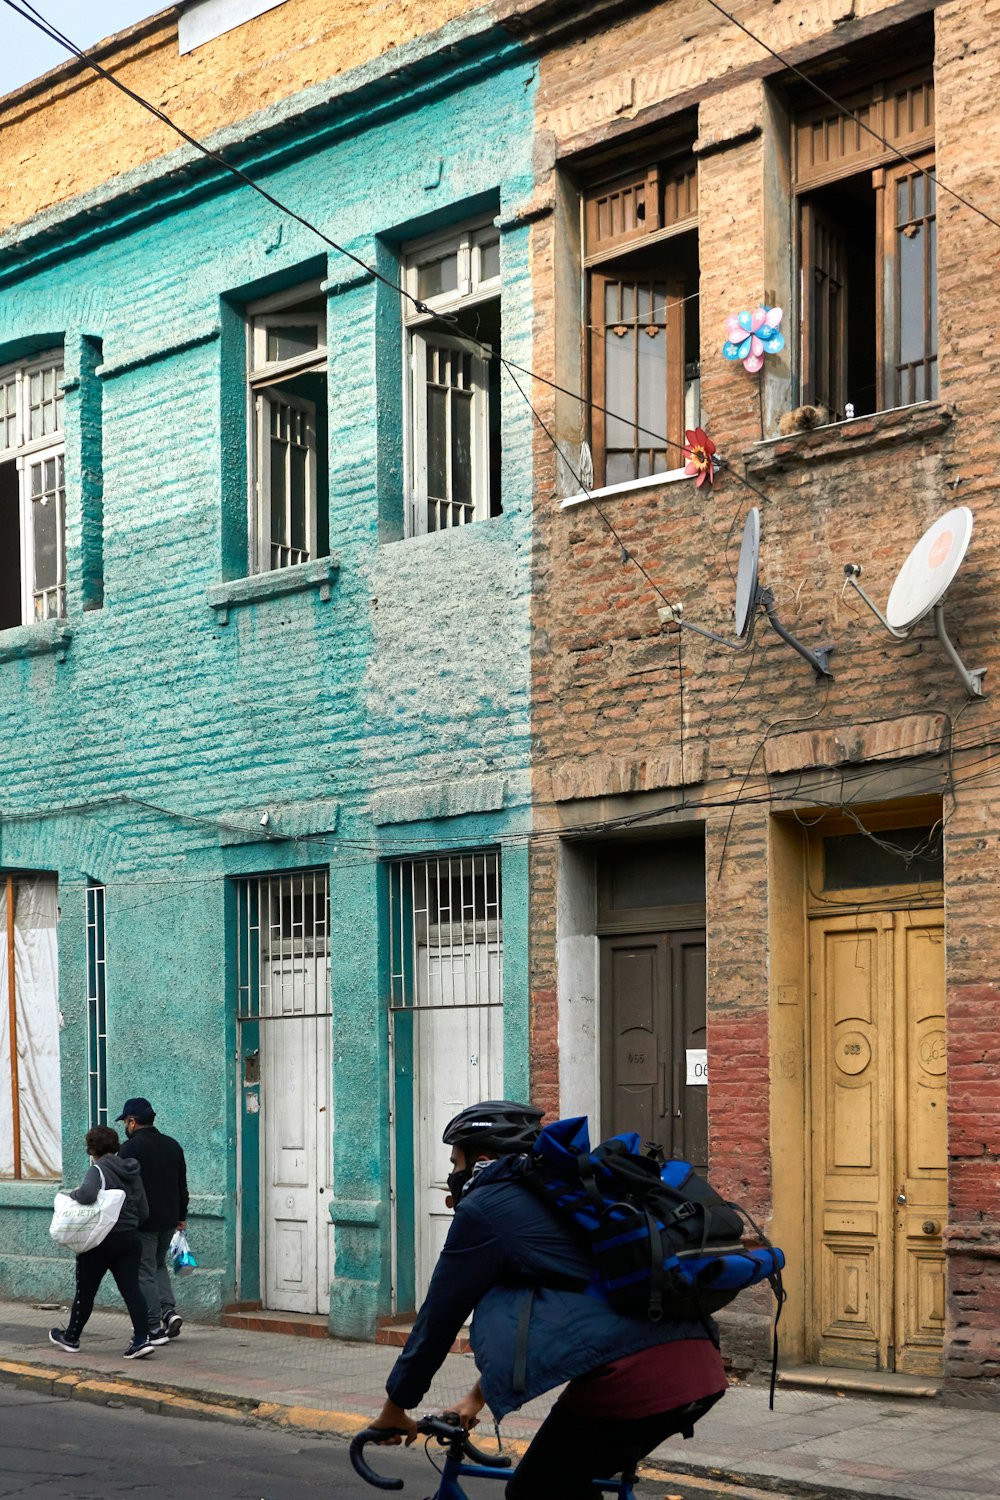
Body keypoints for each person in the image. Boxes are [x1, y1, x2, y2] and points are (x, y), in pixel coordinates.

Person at [370, 1101, 727, 1499]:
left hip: (637, 1378)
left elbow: (438, 1319)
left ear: (481, 1160)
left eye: (455, 1163)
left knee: (532, 1493)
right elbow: (545, 1316)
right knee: (567, 1486)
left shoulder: (485, 1210)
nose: (452, 1175)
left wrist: (395, 1408)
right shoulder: (562, 1198)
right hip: (699, 1369)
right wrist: (476, 1398)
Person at [49, 1125, 155, 1361]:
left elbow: (87, 1195)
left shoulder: (97, 1170)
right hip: (129, 1239)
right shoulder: (131, 1170)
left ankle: (72, 1337)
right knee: (132, 1290)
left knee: (85, 1292)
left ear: (91, 1149)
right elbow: (144, 1211)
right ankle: (141, 1340)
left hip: (100, 1240)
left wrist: (73, 1194)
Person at [117, 1097, 189, 1344]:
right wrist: (181, 1216)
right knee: (158, 1265)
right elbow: (182, 1185)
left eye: (125, 1122)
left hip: (143, 1221)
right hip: (169, 1220)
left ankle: (153, 1328)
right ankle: (168, 1312)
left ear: (133, 1122)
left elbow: (123, 1189)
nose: (125, 1128)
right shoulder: (172, 1145)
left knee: (144, 1270)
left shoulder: (128, 1150)